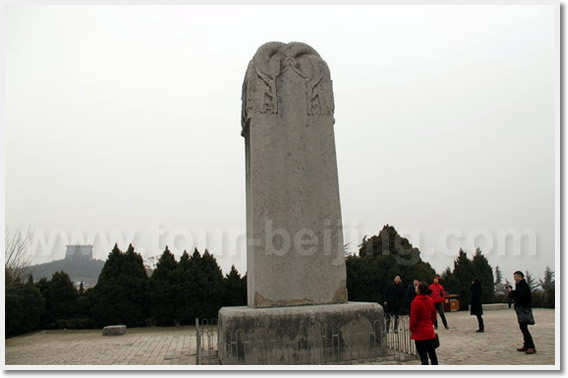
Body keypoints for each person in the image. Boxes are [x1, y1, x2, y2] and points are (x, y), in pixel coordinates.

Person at [410, 281, 439, 365]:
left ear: (419, 290)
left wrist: (412, 329)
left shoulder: (415, 302)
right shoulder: (430, 300)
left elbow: (413, 319)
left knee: (423, 357)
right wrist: (431, 324)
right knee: (432, 354)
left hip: (419, 332)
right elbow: (434, 315)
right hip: (429, 330)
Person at [507, 271, 536, 354]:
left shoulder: (524, 285)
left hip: (524, 309)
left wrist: (512, 292)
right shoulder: (519, 285)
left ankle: (531, 346)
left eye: (515, 276)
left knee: (524, 328)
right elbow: (516, 296)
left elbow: (521, 295)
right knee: (523, 327)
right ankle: (526, 345)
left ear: (520, 276)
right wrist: (511, 292)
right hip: (520, 309)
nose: (514, 278)